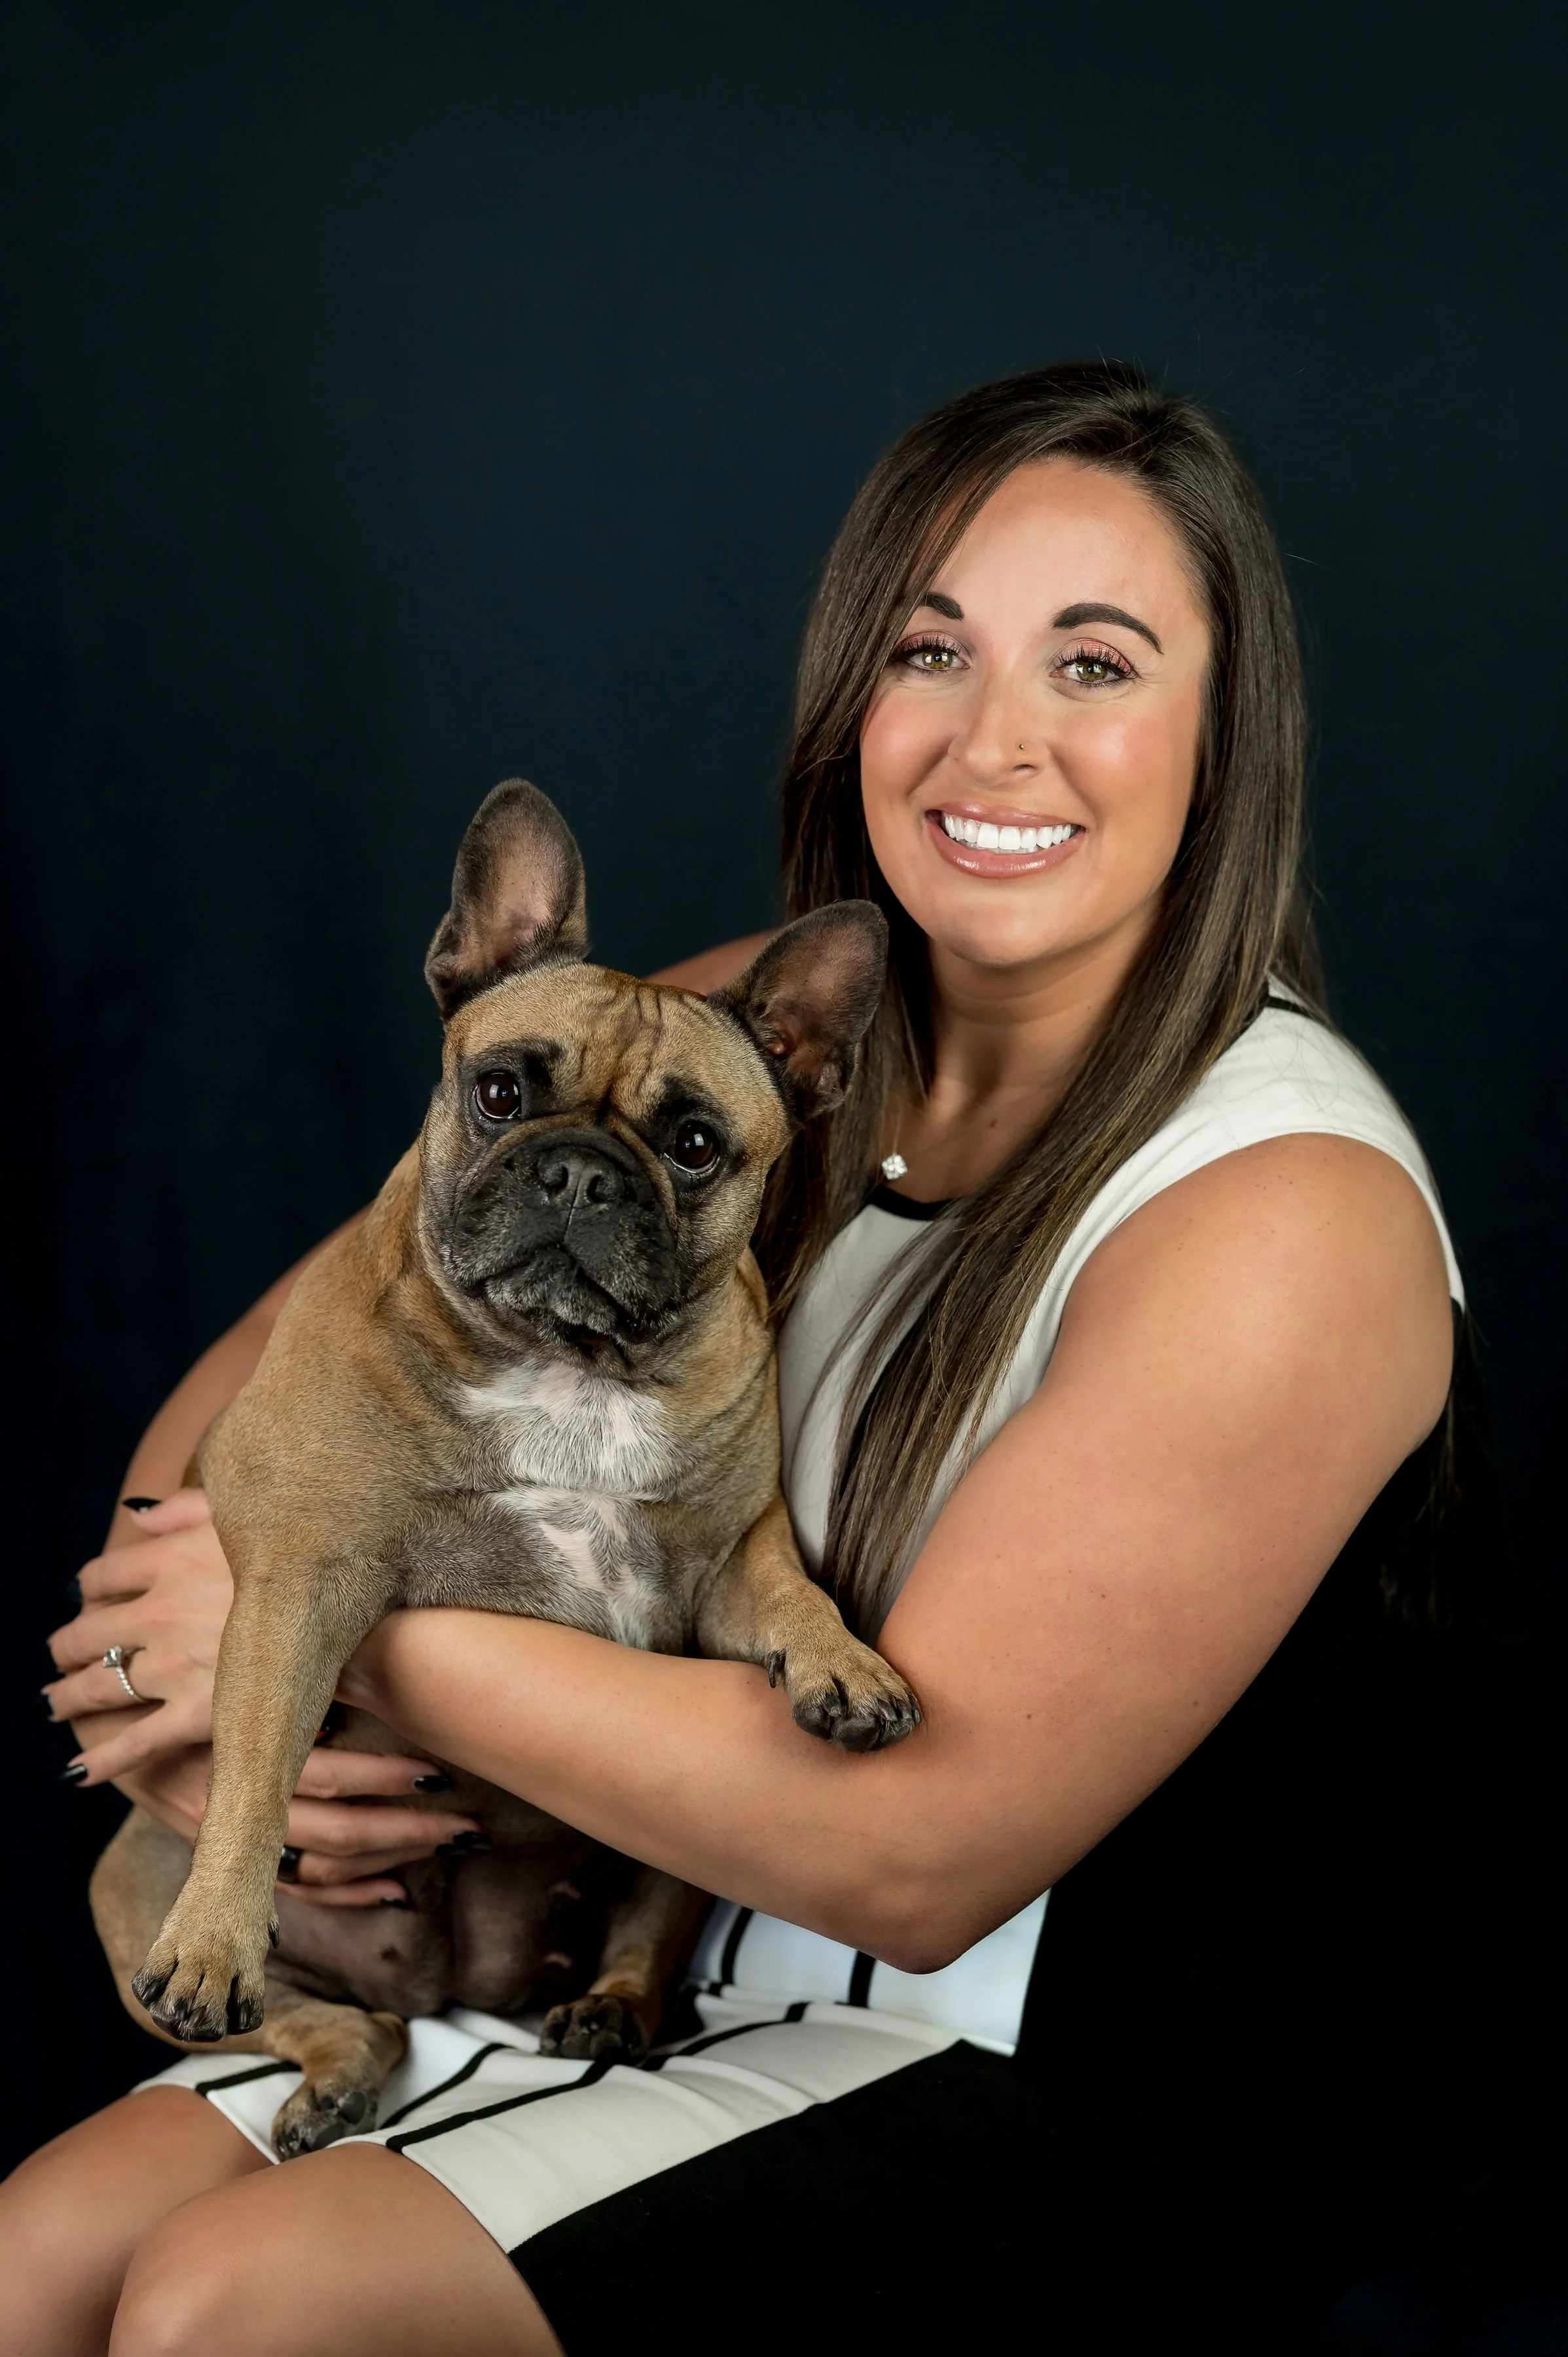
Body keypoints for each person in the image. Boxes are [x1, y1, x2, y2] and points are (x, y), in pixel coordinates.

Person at [2, 363, 1475, 2354]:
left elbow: (916, 1851)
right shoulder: (700, 1044)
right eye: (930, 648)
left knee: (236, 2310)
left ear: (1228, 737)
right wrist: (175, 1707)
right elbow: (238, 1421)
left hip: (1053, 2081)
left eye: (1098, 664)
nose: (995, 738)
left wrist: (325, 1629)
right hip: (621, 1954)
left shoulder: (1280, 1204)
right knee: (34, 2267)